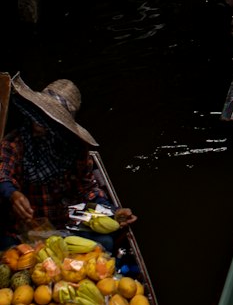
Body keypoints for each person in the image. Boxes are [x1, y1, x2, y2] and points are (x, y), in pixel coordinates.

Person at [0, 78, 134, 238]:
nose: (40, 120)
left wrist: (113, 211)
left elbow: (86, 189)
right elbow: (3, 173)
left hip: (61, 223)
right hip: (24, 227)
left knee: (106, 242)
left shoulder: (74, 149)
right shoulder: (15, 142)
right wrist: (12, 194)